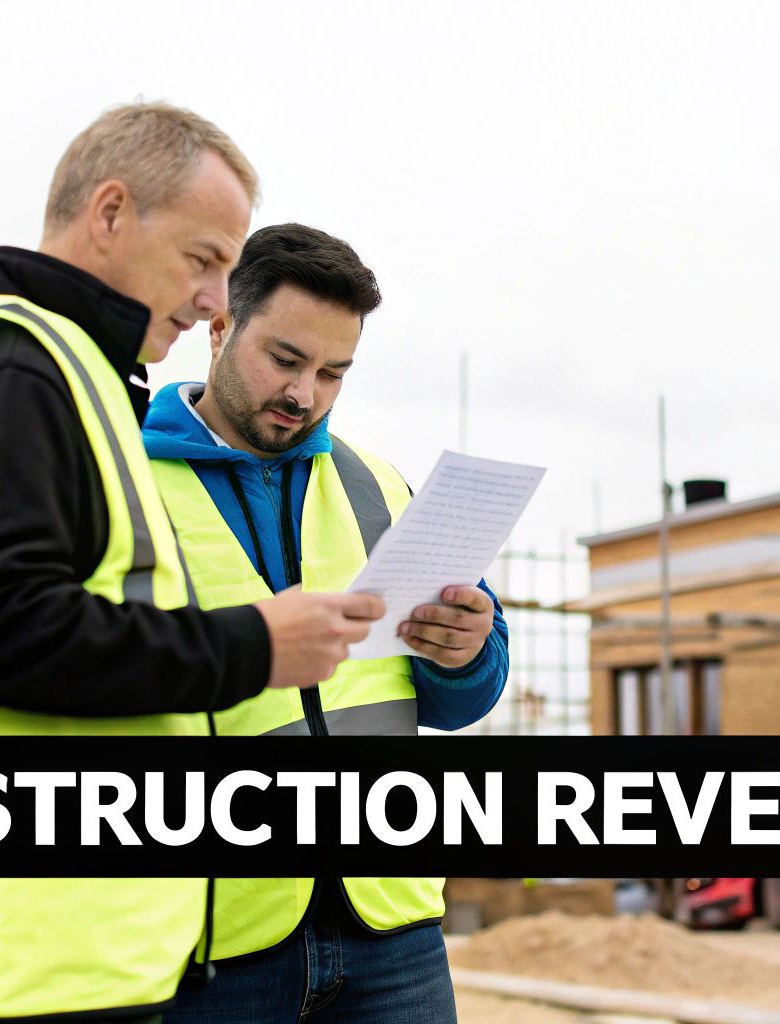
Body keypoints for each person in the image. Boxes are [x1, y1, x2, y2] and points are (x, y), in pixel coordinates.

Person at [0, 105, 386, 1021]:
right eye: (202, 259)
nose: (213, 300)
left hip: (22, 947)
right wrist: (254, 646)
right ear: (109, 213)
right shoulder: (16, 379)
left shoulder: (70, 380)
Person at [142, 223, 507, 1022]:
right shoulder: (123, 486)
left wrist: (465, 654)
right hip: (213, 940)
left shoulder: (379, 486)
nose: (305, 394)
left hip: (392, 931)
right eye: (285, 359)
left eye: (333, 373)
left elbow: (460, 700)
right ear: (219, 327)